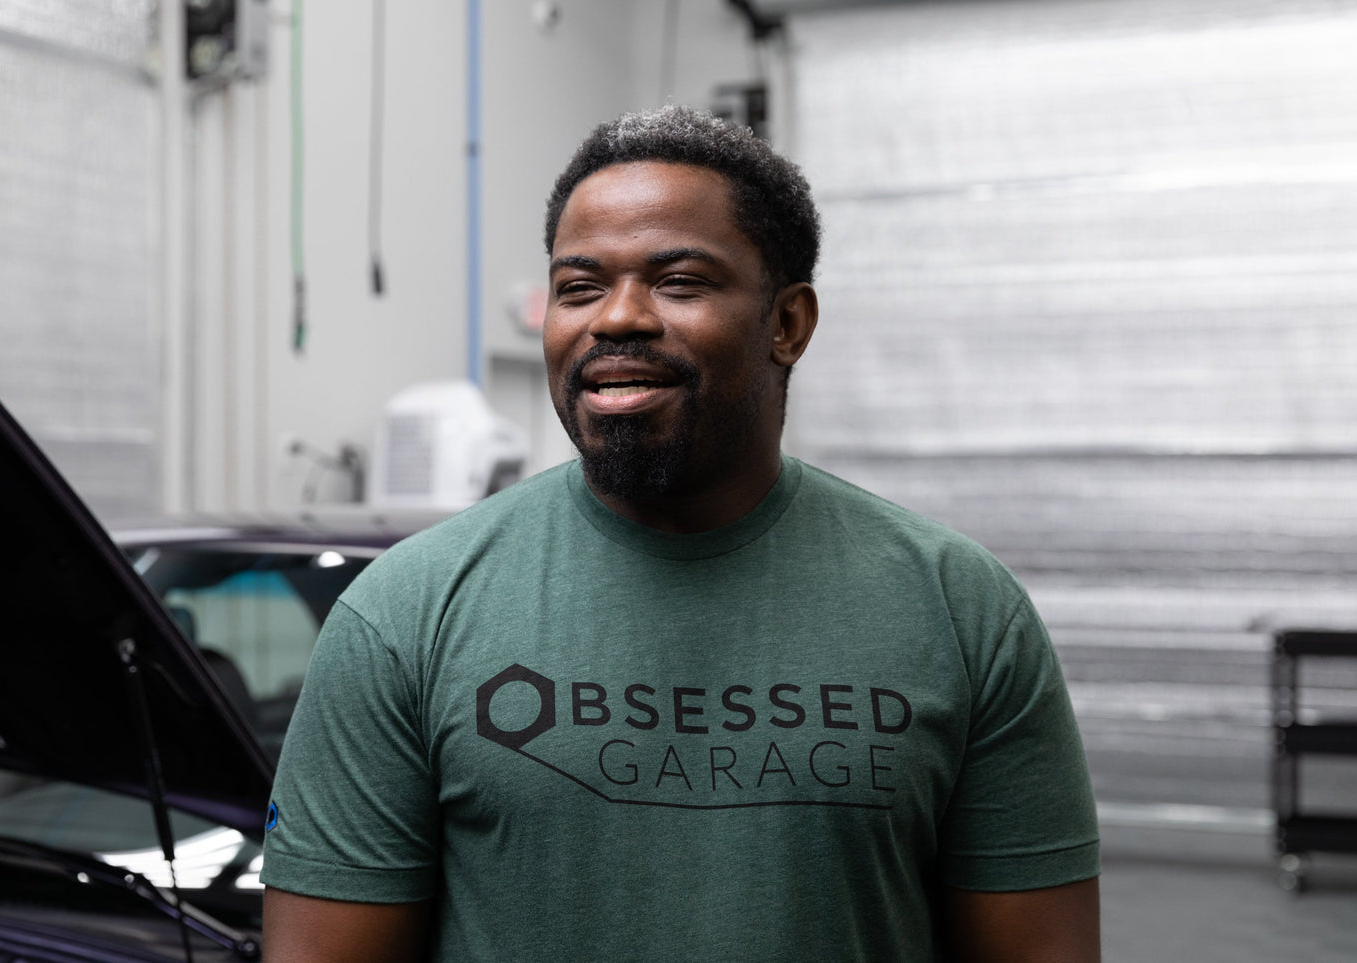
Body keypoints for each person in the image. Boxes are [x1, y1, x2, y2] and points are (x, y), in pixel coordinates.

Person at [260, 105, 1100, 962]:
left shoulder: (959, 608)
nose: (616, 317)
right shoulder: (404, 613)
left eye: (679, 281)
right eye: (578, 288)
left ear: (787, 324)